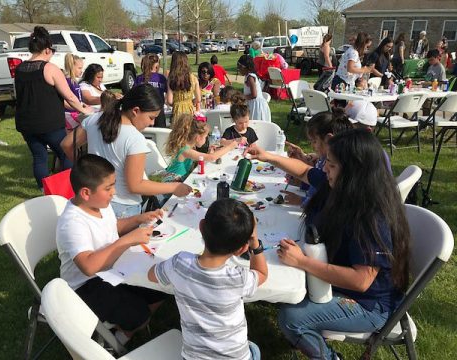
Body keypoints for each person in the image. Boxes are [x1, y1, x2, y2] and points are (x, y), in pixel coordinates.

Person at [245, 129, 410, 360]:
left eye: (331, 165)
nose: (324, 169)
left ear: (354, 171)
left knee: (291, 317)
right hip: (348, 286)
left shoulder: (371, 216)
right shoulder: (343, 186)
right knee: (284, 281)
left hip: (371, 305)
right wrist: (268, 156)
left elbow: (361, 281)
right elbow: (304, 171)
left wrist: (303, 262)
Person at [56, 153, 168, 345]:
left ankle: (123, 330)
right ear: (85, 193)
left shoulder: (99, 203)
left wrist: (138, 219)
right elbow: (88, 267)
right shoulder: (72, 223)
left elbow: (112, 226)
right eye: (109, 188)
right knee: (139, 315)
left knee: (162, 287)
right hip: (85, 286)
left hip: (112, 269)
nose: (114, 192)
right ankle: (113, 339)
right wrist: (126, 241)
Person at [148, 198, 268, 360]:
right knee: (253, 348)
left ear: (201, 227)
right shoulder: (238, 278)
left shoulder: (179, 263)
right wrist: (255, 243)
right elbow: (261, 273)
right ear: (242, 249)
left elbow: (151, 275)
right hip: (235, 357)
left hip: (193, 357)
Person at [61, 84, 192, 218]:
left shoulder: (94, 119)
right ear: (135, 110)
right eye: (151, 117)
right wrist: (174, 187)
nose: (152, 123)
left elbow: (66, 144)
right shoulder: (135, 138)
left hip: (95, 201)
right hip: (123, 207)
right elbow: (135, 185)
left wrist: (85, 170)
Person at [15, 26, 92, 189]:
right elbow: (69, 96)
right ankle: (68, 188)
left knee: (39, 156)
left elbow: (42, 96)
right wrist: (84, 110)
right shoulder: (50, 69)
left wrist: (76, 106)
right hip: (49, 123)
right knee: (65, 153)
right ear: (47, 50)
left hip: (27, 124)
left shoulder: (20, 69)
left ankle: (44, 189)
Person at [282, 110, 353, 207]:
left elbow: (325, 200)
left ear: (328, 139)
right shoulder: (324, 159)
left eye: (314, 141)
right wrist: (302, 183)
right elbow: (317, 185)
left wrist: (302, 201)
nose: (312, 145)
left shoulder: (336, 168)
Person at [165, 114, 238, 179]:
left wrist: (208, 153)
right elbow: (212, 158)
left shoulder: (188, 146)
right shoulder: (185, 150)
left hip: (179, 180)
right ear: (198, 138)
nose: (206, 139)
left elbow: (203, 158)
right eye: (205, 137)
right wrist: (229, 147)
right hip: (171, 185)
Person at [135, 53, 167, 127]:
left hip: (144, 111)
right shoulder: (161, 78)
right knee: (160, 134)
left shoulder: (139, 78)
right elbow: (167, 92)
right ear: (156, 65)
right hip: (158, 110)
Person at [167, 51, 201, 120]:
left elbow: (169, 101)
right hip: (189, 109)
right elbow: (199, 99)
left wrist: (177, 103)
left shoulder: (171, 79)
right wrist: (190, 102)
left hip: (177, 111)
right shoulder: (193, 78)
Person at [237, 55, 271, 122]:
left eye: (240, 67)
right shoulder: (247, 76)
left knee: (257, 124)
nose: (239, 69)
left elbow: (254, 95)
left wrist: (242, 97)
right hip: (252, 104)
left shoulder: (250, 77)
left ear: (246, 67)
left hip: (257, 106)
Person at [63, 53, 85, 131]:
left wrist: (82, 105)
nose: (81, 71)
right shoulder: (67, 81)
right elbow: (63, 101)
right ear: (72, 67)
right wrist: (77, 107)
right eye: (79, 68)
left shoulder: (74, 81)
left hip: (76, 112)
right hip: (69, 114)